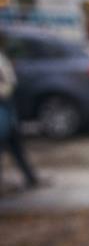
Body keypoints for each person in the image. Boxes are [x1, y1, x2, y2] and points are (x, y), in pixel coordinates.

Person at [0, 45, 40, 193]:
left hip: (6, 103)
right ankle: (30, 177)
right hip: (4, 104)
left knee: (14, 142)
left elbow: (8, 80)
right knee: (10, 142)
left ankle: (30, 177)